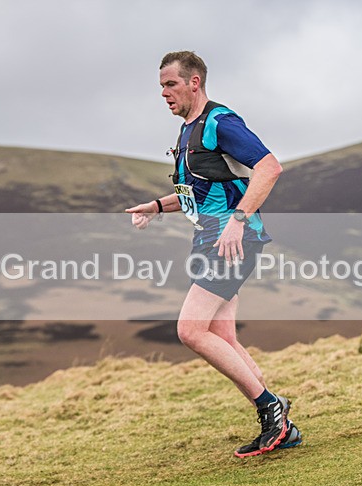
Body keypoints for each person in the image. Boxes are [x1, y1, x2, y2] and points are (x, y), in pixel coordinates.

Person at [126, 51, 302, 457]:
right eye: (161, 88)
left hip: (233, 240)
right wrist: (155, 207)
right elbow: (199, 192)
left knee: (189, 330)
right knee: (221, 336)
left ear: (194, 82)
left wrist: (238, 220)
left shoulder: (221, 122)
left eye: (171, 85)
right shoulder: (187, 132)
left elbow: (269, 167)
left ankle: (271, 410)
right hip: (210, 239)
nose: (165, 94)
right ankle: (282, 423)